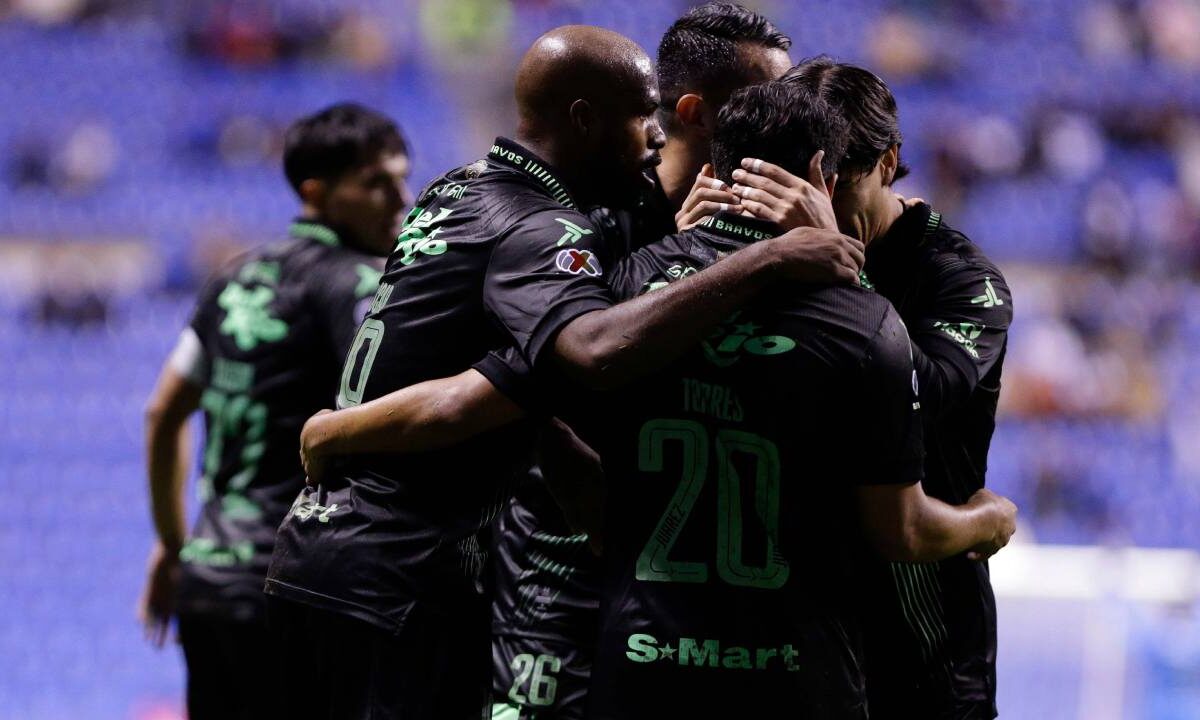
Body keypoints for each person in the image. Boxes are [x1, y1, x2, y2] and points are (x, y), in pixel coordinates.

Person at [264, 26, 861, 720]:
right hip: (402, 572)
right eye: (643, 118)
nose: (653, 138)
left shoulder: (454, 190)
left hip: (322, 556)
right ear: (585, 118)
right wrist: (770, 260)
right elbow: (590, 354)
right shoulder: (541, 228)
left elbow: (511, 392)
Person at [736, 57, 1016, 719]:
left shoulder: (961, 280)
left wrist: (831, 261)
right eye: (803, 188)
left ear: (888, 164)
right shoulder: (761, 245)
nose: (816, 208)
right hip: (784, 629)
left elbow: (921, 393)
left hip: (918, 640)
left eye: (837, 188)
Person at [138, 102, 411, 720]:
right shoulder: (359, 283)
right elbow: (394, 409)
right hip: (294, 585)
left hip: (208, 580)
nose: (401, 199)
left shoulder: (233, 277)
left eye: (402, 178)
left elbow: (162, 414)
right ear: (315, 192)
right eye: (377, 183)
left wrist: (171, 543)